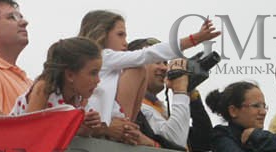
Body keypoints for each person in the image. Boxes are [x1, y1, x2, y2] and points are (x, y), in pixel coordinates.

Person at [77, 10, 220, 138]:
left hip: (105, 125)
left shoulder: (114, 70)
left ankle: (124, 127)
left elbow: (203, 139)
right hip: (95, 125)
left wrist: (187, 87)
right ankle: (123, 128)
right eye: (120, 35)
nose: (125, 43)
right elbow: (147, 54)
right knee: (137, 69)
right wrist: (193, 39)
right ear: (101, 34)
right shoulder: (103, 56)